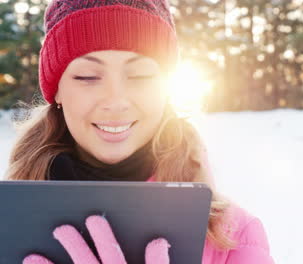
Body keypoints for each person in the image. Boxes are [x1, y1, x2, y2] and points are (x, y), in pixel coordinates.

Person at [5, 0, 275, 263]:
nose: (116, 101)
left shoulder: (233, 237)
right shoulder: (8, 220)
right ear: (58, 91)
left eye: (140, 76)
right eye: (87, 76)